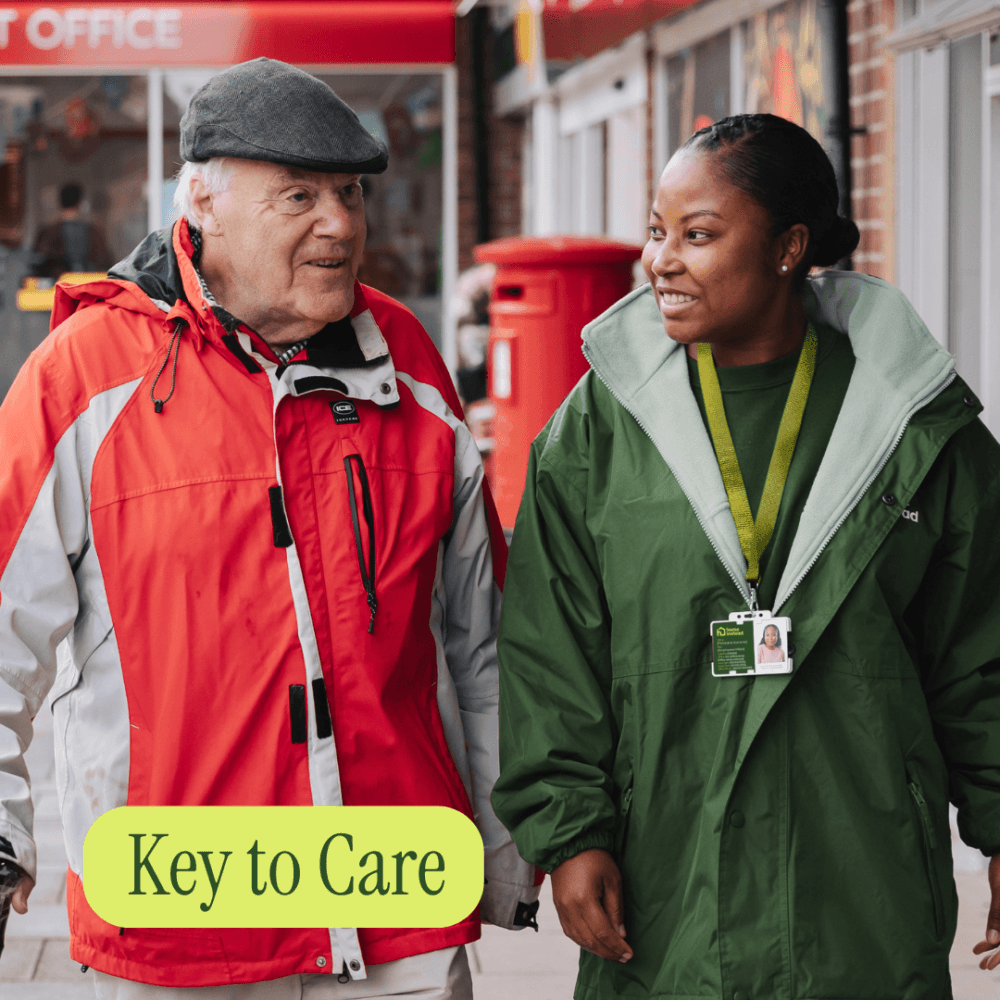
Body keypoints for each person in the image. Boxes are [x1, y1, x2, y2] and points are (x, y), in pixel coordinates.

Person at [0, 58, 539, 999]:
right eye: (298, 196)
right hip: (181, 913)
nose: (339, 222)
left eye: (350, 193)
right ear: (201, 204)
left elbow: (479, 639)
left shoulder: (408, 362)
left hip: (394, 903)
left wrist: (510, 845)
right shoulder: (83, 376)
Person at [491, 113, 1000, 999]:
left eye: (699, 235)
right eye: (658, 232)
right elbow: (551, 655)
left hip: (865, 894)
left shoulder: (918, 428)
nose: (662, 260)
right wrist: (568, 835)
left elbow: (982, 654)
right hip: (665, 896)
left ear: (788, 248)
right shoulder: (594, 430)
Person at [32, 182, 112, 278]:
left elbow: (36, 265)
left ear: (60, 201)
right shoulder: (95, 233)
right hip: (88, 286)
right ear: (81, 202)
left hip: (57, 288)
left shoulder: (47, 232)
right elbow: (105, 264)